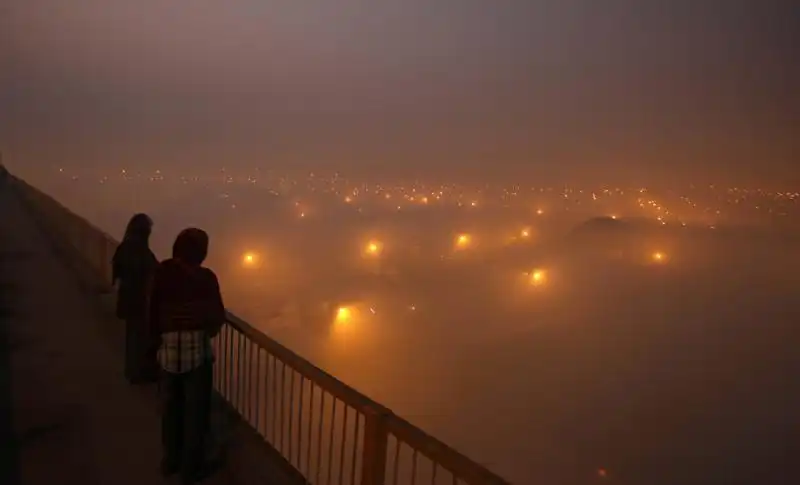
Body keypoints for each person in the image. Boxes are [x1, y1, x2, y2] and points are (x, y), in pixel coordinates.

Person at [149, 228, 225, 484]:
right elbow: (216, 318)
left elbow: (151, 311)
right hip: (197, 356)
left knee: (171, 409)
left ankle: (170, 460)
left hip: (168, 354)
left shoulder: (162, 273)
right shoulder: (206, 279)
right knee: (196, 413)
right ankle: (191, 469)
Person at [112, 213, 159, 384]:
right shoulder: (142, 252)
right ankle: (139, 372)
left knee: (132, 336)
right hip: (141, 300)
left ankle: (132, 371)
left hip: (127, 298)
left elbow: (116, 272)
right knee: (141, 337)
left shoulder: (124, 248)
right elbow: (152, 271)